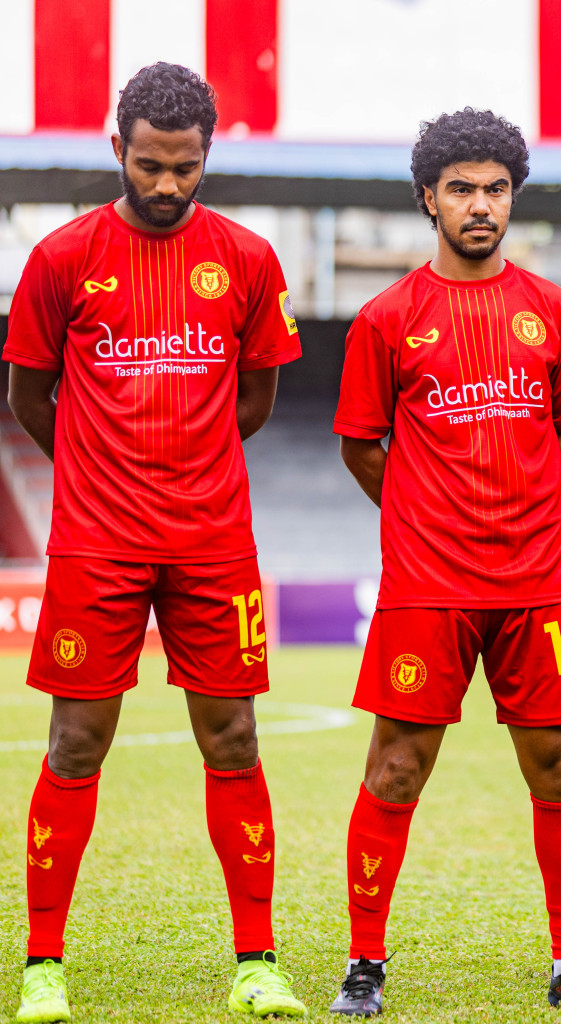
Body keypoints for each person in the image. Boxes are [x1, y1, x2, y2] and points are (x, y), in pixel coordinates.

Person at [3, 62, 306, 1022]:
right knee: (75, 742)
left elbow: (255, 399)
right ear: (117, 150)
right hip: (96, 543)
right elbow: (29, 396)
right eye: (149, 166)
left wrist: (187, 470)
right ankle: (43, 965)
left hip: (214, 542)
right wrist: (101, 470)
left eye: (185, 167)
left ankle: (257, 960)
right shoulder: (61, 258)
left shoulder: (249, 260)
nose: (168, 185)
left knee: (235, 737)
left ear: (207, 155)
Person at [328, 108, 561, 1014]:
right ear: (429, 198)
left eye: (496, 189)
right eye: (461, 188)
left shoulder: (553, 311)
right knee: (397, 766)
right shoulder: (386, 318)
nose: (480, 205)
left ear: (513, 198)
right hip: (427, 583)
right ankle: (364, 963)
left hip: (538, 581)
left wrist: (515, 506)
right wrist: (431, 517)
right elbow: (361, 448)